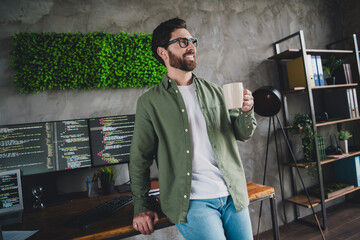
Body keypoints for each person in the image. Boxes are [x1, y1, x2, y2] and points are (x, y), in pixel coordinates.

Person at [129, 17, 256, 240]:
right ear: (163, 52)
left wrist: (247, 110)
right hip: (193, 202)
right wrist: (140, 204)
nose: (191, 47)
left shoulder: (216, 91)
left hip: (232, 195)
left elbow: (243, 134)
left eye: (192, 41)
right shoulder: (149, 103)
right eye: (182, 42)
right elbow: (140, 158)